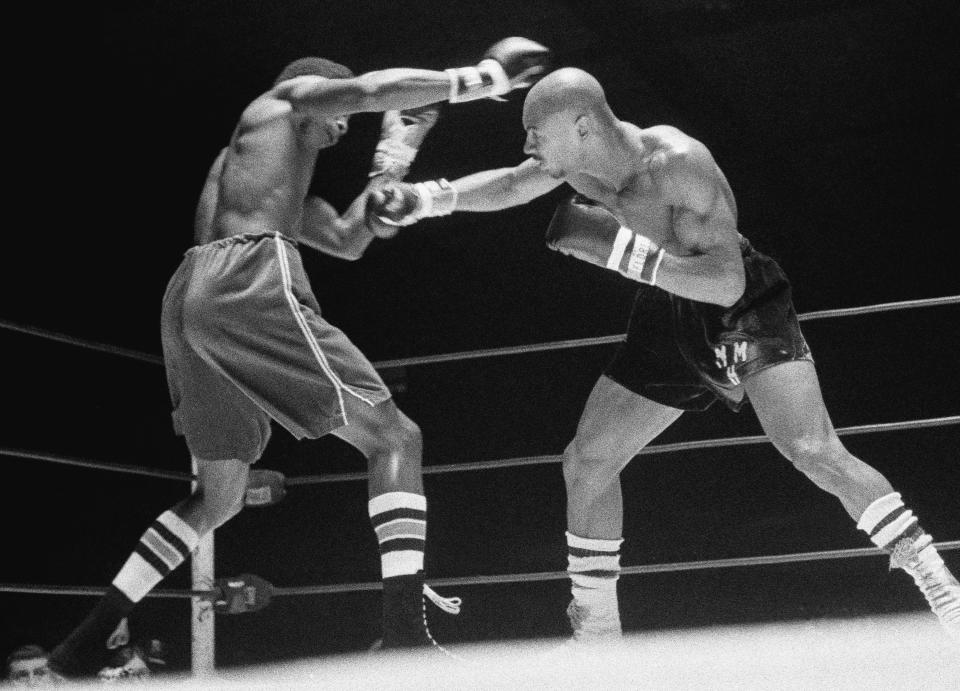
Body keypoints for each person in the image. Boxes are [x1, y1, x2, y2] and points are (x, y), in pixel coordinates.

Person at [368, 67, 960, 642]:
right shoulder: (580, 168)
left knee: (812, 450)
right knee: (587, 461)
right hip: (667, 308)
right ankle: (599, 636)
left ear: (581, 127)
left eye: (535, 132)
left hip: (740, 306)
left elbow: (725, 283)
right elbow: (514, 183)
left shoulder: (678, 163)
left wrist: (621, 255)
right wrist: (425, 198)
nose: (526, 144)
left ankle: (942, 591)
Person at [47, 38, 552, 677]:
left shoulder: (266, 179)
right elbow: (370, 91)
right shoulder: (285, 99)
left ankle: (86, 642)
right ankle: (403, 633)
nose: (343, 128)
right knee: (394, 435)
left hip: (190, 305)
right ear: (313, 93)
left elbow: (346, 241)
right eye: (336, 115)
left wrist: (392, 162)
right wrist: (481, 80)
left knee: (219, 497)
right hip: (247, 278)